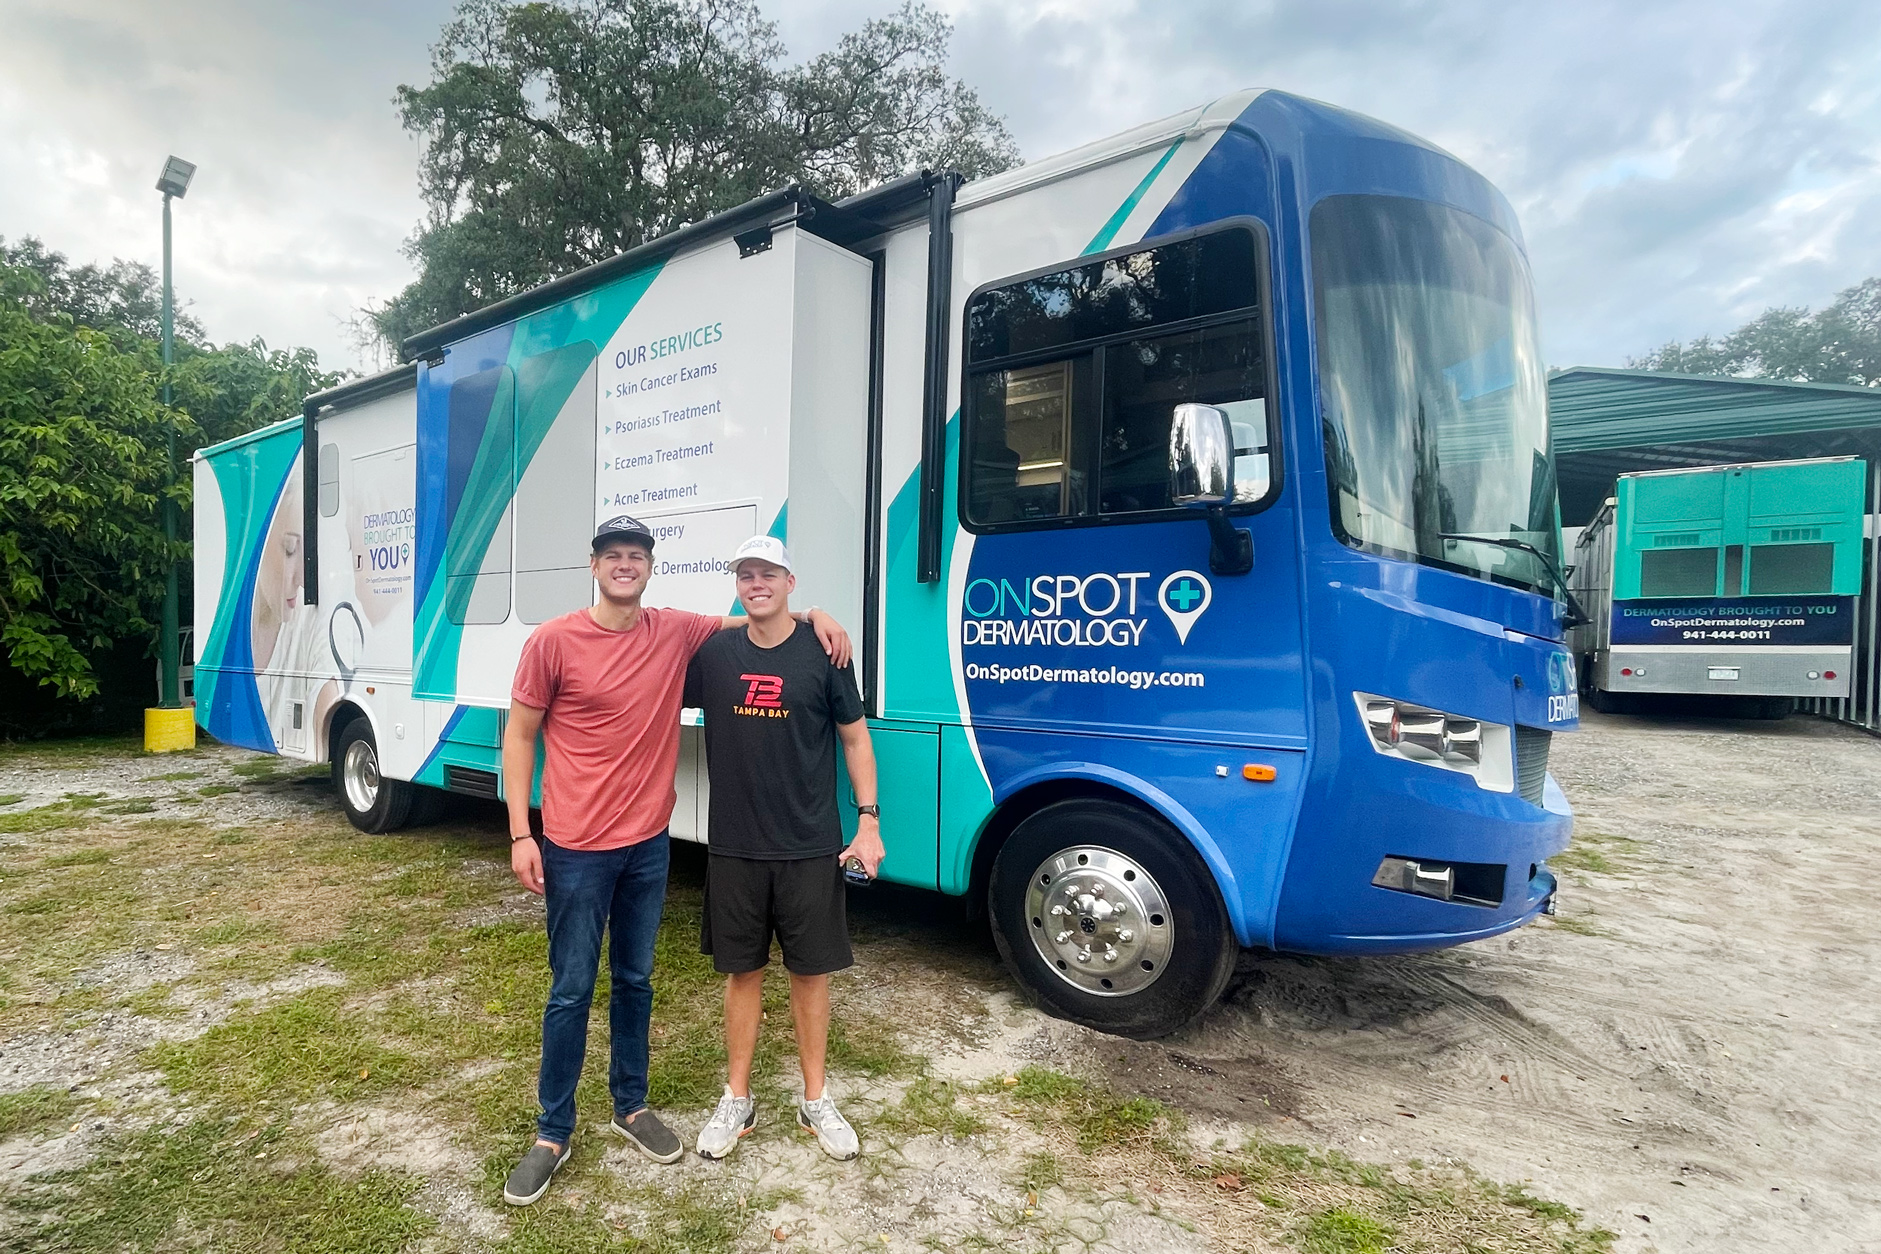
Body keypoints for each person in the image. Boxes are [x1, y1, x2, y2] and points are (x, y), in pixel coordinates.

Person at [499, 516, 850, 1207]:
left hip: (645, 846)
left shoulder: (673, 630)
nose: (624, 565)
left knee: (635, 979)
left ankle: (630, 1106)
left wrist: (816, 613)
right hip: (573, 846)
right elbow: (518, 736)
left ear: (649, 567)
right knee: (570, 987)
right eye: (612, 555)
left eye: (636, 556)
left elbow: (754, 613)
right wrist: (520, 832)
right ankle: (551, 1133)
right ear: (593, 565)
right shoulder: (552, 641)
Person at [683, 535, 885, 1162]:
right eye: (745, 574)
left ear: (790, 582)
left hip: (809, 845)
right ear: (737, 585)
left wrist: (869, 823)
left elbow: (855, 741)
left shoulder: (824, 654)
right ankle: (737, 1098)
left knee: (810, 973)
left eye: (768, 573)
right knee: (742, 972)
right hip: (736, 846)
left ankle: (815, 1099)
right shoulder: (713, 655)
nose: (756, 583)